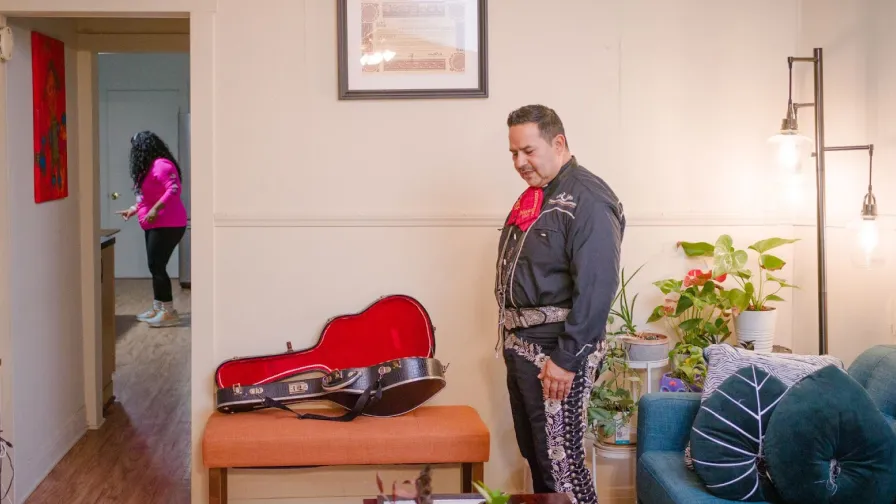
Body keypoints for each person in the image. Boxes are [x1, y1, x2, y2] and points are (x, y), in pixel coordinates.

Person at [495, 105, 625, 504]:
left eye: (528, 151)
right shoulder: (540, 194)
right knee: (537, 457)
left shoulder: (588, 198)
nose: (519, 162)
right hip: (524, 347)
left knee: (562, 467)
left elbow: (598, 285)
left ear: (559, 142)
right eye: (514, 153)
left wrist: (567, 358)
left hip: (556, 352)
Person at [115, 131, 188, 328]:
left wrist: (156, 209)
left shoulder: (162, 165)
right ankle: (159, 307)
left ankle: (169, 312)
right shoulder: (146, 169)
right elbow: (144, 197)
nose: (133, 151)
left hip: (169, 224)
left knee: (157, 266)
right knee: (155, 266)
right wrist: (132, 209)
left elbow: (173, 189)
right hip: (155, 224)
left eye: (136, 147)